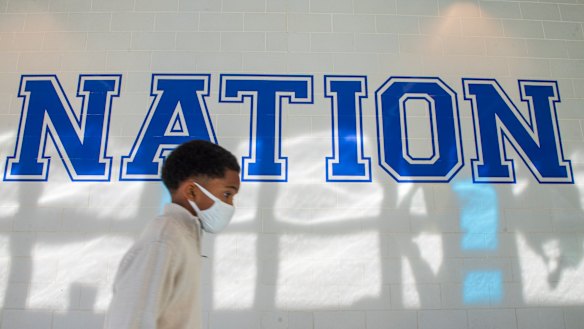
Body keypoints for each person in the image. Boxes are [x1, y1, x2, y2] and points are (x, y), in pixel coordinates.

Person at [104, 140, 240, 329]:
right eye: (227, 194)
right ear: (192, 191)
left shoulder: (183, 238)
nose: (230, 206)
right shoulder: (163, 242)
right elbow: (130, 322)